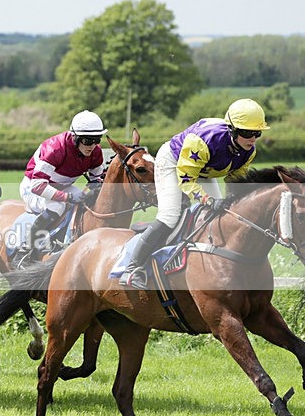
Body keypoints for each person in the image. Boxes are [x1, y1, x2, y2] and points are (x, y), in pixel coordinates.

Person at [120, 98, 269, 289]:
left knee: (221, 213)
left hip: (203, 169)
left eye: (257, 133)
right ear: (232, 129)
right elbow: (186, 179)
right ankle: (132, 268)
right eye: (247, 133)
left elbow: (235, 180)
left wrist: (233, 203)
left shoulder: (249, 151)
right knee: (169, 216)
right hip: (173, 162)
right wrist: (208, 200)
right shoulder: (204, 141)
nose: (253, 139)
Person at [18, 110, 107, 260]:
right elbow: (37, 186)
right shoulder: (55, 148)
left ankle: (70, 240)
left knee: (88, 203)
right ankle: (24, 251)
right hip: (32, 187)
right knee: (57, 206)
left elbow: (97, 178)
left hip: (62, 186)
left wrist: (90, 191)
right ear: (75, 137)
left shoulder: (96, 152)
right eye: (87, 141)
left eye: (96, 140)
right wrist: (68, 197)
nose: (92, 146)